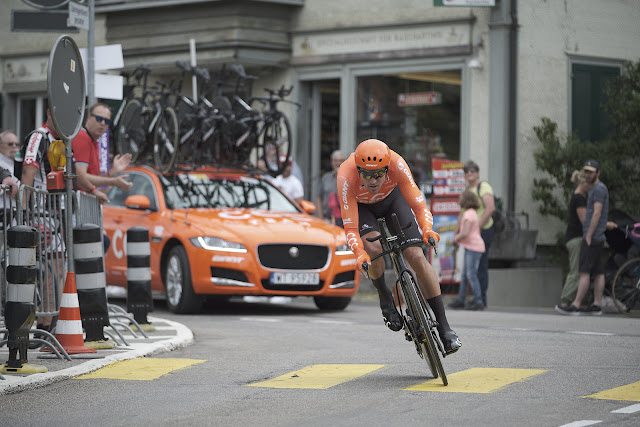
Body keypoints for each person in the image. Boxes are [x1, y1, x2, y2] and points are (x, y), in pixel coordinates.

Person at [337, 138, 461, 355]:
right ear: (358, 171)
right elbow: (350, 228)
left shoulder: (397, 163)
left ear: (387, 169)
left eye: (378, 174)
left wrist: (427, 229)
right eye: (366, 174)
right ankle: (384, 295)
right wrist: (359, 253)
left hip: (393, 199)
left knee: (415, 255)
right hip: (363, 208)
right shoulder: (345, 175)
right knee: (373, 249)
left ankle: (445, 328)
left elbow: (419, 206)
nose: (373, 180)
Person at [556, 160, 609, 315]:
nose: (588, 174)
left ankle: (576, 304)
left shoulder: (597, 189)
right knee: (598, 271)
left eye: (591, 171)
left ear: (598, 173)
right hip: (596, 235)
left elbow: (596, 213)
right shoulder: (595, 190)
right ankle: (596, 304)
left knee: (583, 271)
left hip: (591, 236)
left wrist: (589, 234)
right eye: (586, 171)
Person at [72, 103, 133, 201]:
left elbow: (93, 183)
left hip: (82, 206)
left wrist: (112, 173)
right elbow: (80, 176)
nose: (103, 123)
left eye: (107, 121)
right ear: (88, 118)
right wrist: (113, 181)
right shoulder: (82, 138)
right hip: (76, 205)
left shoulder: (93, 142)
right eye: (99, 119)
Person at [458, 160, 495, 307]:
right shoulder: (467, 190)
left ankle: (481, 298)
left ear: (478, 172)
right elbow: (462, 213)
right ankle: (467, 298)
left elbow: (490, 208)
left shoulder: (483, 186)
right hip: (470, 233)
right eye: (466, 171)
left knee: (480, 265)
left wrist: (477, 227)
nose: (469, 173)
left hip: (483, 229)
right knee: (468, 268)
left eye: (472, 170)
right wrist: (457, 231)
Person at [554, 170, 592, 312]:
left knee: (578, 270)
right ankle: (565, 300)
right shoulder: (579, 198)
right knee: (576, 271)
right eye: (589, 184)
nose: (591, 187)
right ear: (583, 183)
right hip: (576, 238)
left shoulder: (577, 196)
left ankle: (576, 300)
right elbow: (584, 220)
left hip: (573, 238)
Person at [448, 190, 486, 311]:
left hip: (474, 248)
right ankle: (461, 299)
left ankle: (478, 300)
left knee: (471, 274)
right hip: (471, 247)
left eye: (461, 199)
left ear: (465, 200)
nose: (459, 201)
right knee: (465, 275)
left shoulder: (469, 214)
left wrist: (455, 239)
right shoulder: (472, 213)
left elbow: (465, 233)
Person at [315, 150, 346, 227]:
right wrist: (321, 218)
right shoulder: (326, 178)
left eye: (341, 161)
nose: (338, 163)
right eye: (335, 161)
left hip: (345, 221)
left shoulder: (350, 179)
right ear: (331, 162)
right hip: (327, 220)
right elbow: (319, 198)